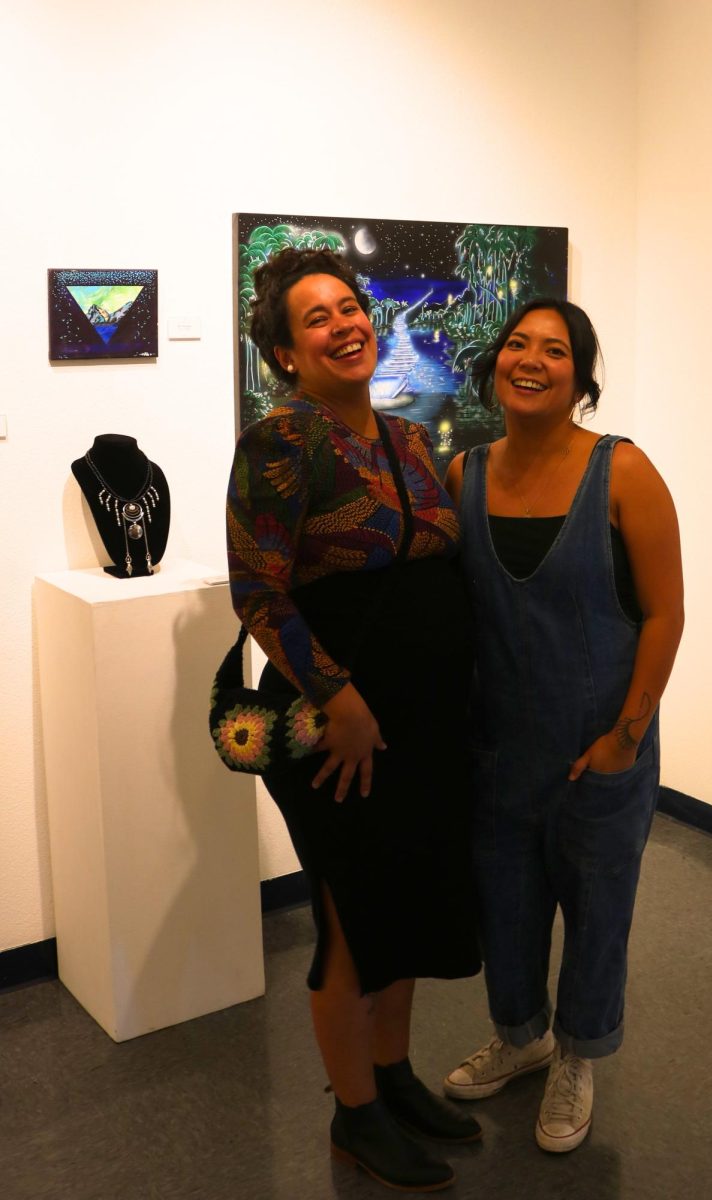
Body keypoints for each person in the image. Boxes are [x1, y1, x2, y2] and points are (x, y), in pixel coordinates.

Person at [226, 246, 482, 1192]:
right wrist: (342, 700)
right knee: (349, 926)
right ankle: (355, 1115)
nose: (343, 324)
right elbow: (258, 591)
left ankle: (395, 1076)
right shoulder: (282, 441)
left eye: (350, 306)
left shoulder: (410, 440)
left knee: (405, 906)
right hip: (340, 729)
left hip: (421, 724)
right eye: (316, 319)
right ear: (287, 355)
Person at [441, 298, 684, 1153]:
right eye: (517, 344)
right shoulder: (463, 475)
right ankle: (521, 1037)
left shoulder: (624, 474)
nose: (531, 359)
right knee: (504, 907)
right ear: (495, 365)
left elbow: (664, 615)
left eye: (554, 349)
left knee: (597, 911)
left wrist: (624, 738)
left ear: (581, 377)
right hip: (500, 747)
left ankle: (576, 1056)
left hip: (599, 750)